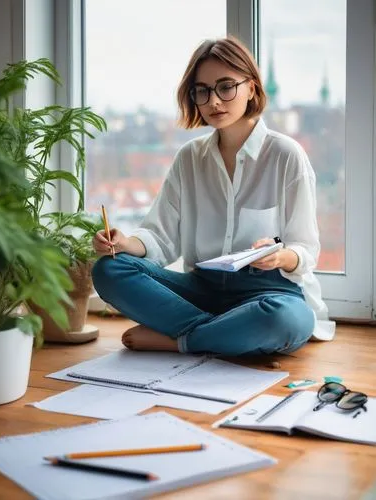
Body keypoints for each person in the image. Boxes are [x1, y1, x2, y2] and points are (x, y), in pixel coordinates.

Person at [92, 36, 334, 356]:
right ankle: (223, 334)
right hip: (200, 289)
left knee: (289, 320)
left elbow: (305, 249)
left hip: (269, 292)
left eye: (225, 87)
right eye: (203, 91)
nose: (214, 101)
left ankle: (180, 339)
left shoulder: (286, 155)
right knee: (108, 270)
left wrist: (279, 256)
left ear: (251, 87)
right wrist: (125, 243)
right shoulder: (189, 157)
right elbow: (159, 237)